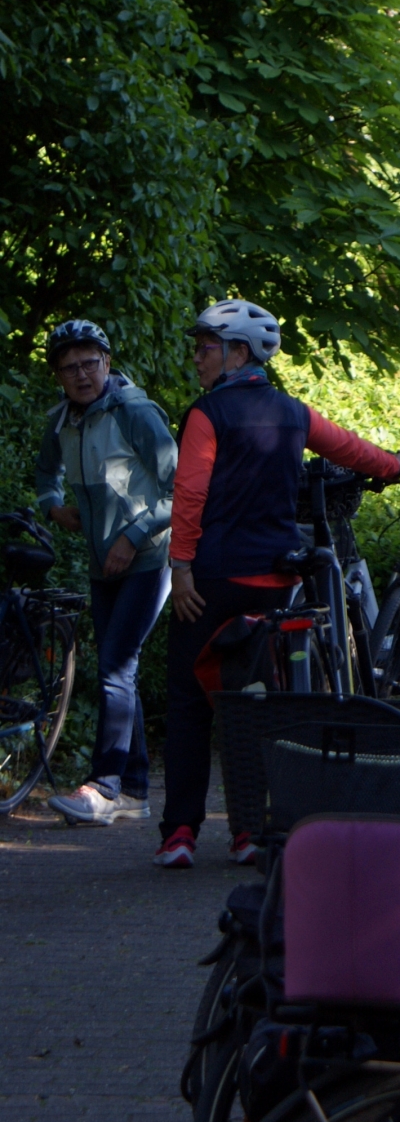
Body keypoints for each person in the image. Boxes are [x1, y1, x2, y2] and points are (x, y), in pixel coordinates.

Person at [158, 298, 400, 869]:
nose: (197, 358)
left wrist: (180, 567)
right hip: (275, 581)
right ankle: (251, 832)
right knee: (259, 704)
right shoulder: (294, 412)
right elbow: (351, 449)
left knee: (191, 704)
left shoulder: (207, 413)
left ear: (237, 352)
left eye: (205, 348)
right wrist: (398, 467)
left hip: (213, 581)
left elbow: (191, 493)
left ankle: (179, 833)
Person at [35, 320, 177, 825]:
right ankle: (134, 790)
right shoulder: (62, 422)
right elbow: (45, 473)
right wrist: (54, 508)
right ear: (58, 375)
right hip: (102, 565)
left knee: (116, 666)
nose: (81, 374)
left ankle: (104, 786)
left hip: (148, 558)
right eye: (69, 367)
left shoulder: (135, 412)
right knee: (121, 670)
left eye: (89, 363)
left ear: (107, 363)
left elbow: (179, 489)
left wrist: (131, 537)